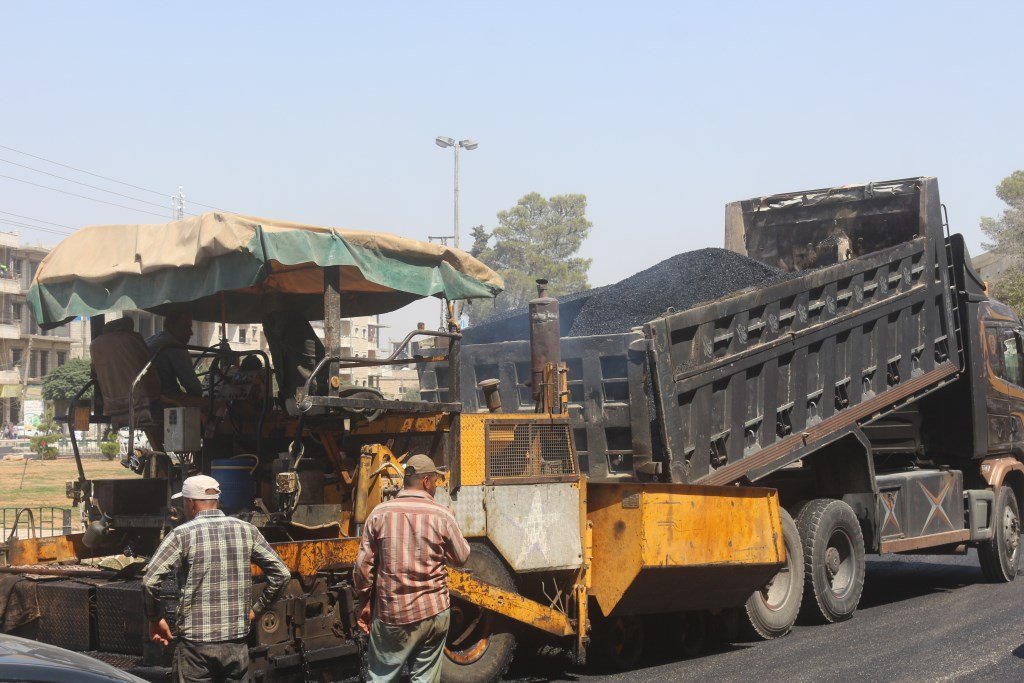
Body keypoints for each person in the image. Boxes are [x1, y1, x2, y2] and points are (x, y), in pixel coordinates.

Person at [143, 475, 291, 683]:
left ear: (191, 503)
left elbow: (150, 581)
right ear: (217, 501)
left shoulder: (181, 535)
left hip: (196, 648)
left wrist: (155, 618)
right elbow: (282, 574)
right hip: (236, 645)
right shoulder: (247, 531)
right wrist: (256, 611)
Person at [354, 454, 471, 683]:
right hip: (433, 612)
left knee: (382, 678)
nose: (436, 486)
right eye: (436, 481)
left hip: (392, 615)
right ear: (426, 481)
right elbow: (462, 556)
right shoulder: (442, 514)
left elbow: (362, 568)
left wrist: (364, 602)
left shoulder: (379, 514)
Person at [147, 311, 204, 401]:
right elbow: (194, 387)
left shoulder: (152, 340)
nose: (191, 333)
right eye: (186, 327)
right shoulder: (175, 346)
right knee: (220, 405)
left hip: (148, 399)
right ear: (173, 326)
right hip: (167, 400)